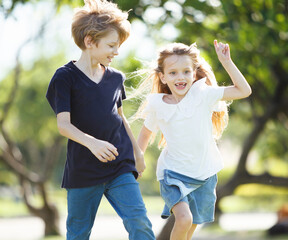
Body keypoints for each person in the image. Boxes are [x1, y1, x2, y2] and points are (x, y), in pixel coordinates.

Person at [45, 0, 155, 239]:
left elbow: (121, 117)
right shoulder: (65, 78)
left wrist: (137, 153)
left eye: (119, 46)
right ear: (89, 41)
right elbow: (63, 125)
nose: (116, 52)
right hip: (83, 171)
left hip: (121, 166)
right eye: (112, 45)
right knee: (78, 233)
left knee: (141, 224)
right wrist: (93, 143)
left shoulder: (116, 77)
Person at [136, 40, 252, 240]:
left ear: (194, 73)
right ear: (162, 77)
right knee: (184, 219)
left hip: (204, 174)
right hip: (173, 173)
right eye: (173, 73)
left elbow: (244, 90)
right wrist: (137, 160)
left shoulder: (203, 94)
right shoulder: (158, 105)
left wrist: (226, 61)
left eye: (186, 72)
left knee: (189, 230)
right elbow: (146, 134)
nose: (180, 77)